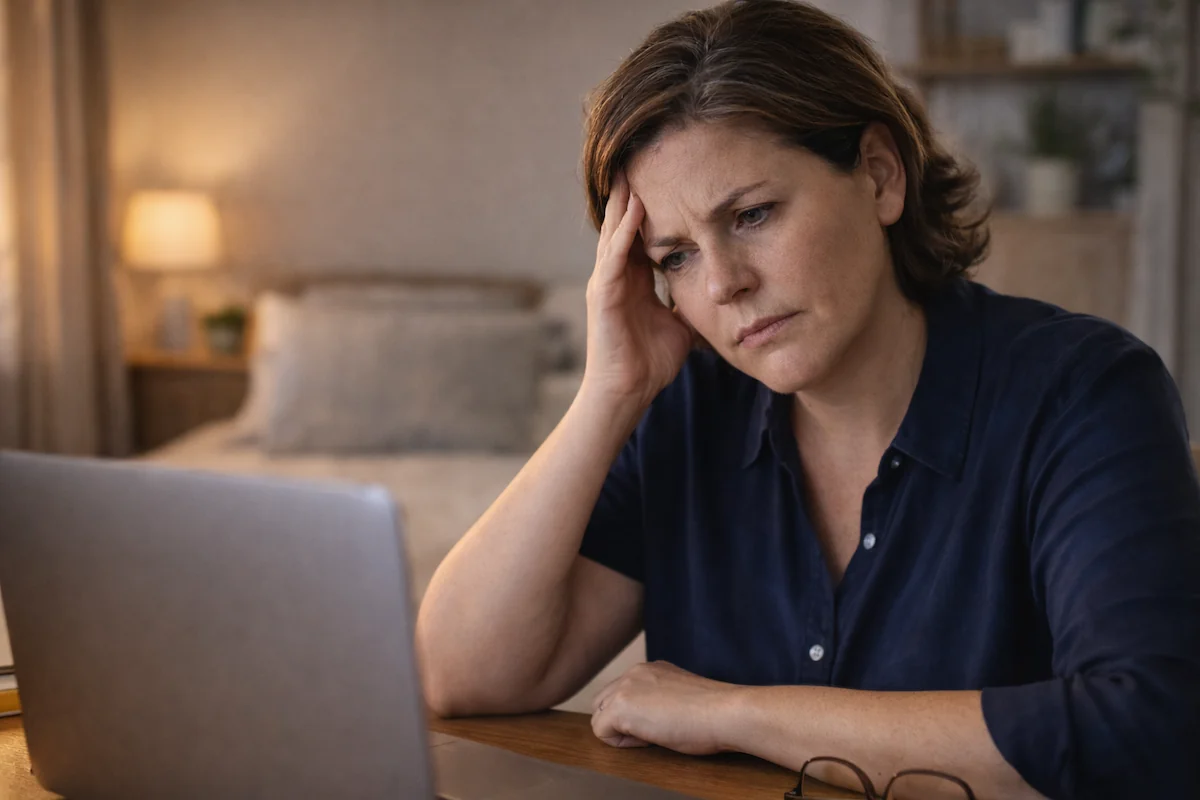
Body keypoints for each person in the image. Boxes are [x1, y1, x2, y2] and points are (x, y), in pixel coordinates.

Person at [414, 2, 1200, 797]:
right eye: (676, 256)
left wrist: (737, 714)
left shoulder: (1084, 393)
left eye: (752, 215)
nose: (724, 284)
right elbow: (459, 676)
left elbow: (1145, 733)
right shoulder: (688, 410)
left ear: (881, 175)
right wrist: (608, 393)